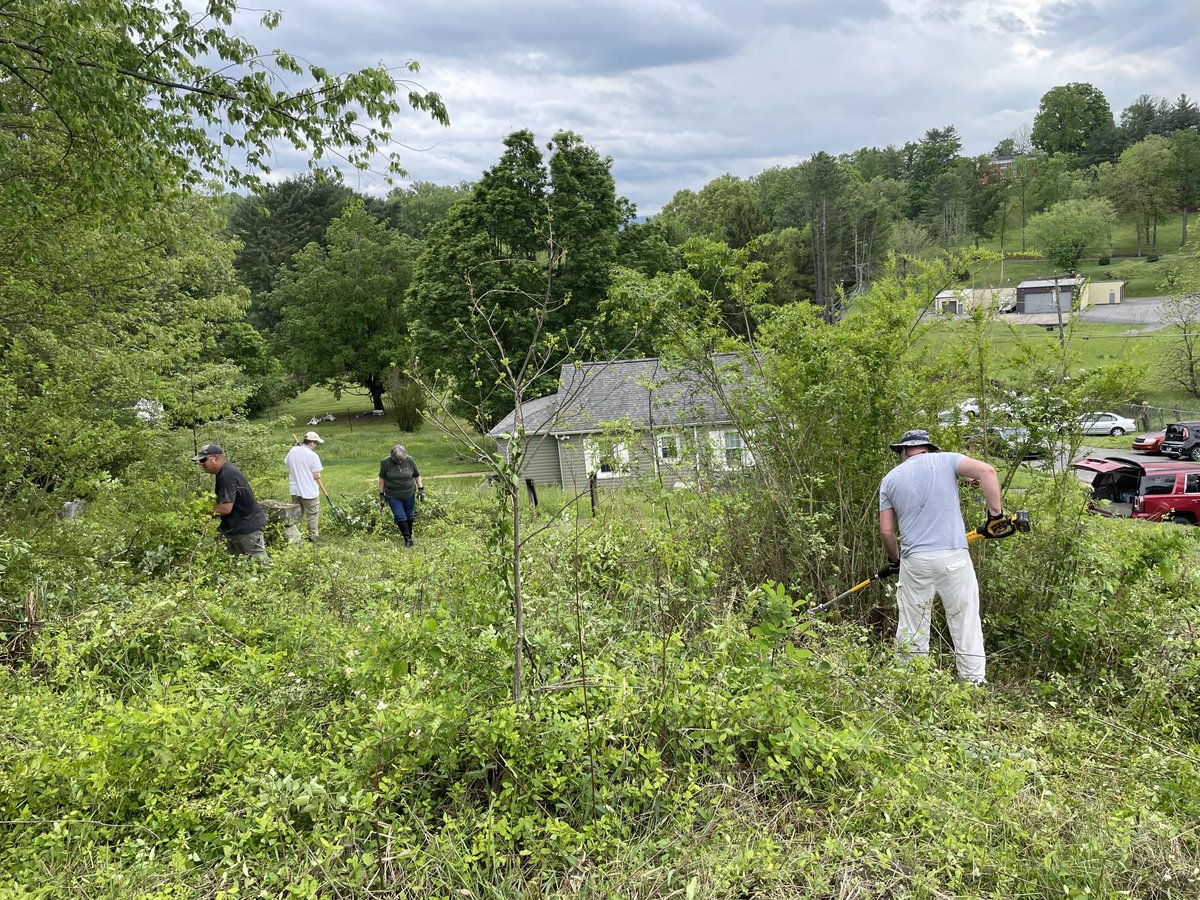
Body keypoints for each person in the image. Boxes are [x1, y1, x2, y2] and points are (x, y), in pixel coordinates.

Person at [878, 429, 1005, 684]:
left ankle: (911, 682)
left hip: (915, 562)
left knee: (913, 625)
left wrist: (896, 560)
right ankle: (973, 683)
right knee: (964, 620)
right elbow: (988, 472)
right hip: (954, 557)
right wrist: (995, 517)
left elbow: (886, 531)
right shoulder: (948, 460)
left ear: (903, 451)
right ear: (929, 448)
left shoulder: (890, 479)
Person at [192, 443, 269, 562]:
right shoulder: (224, 472)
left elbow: (225, 508)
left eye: (203, 460)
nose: (202, 464)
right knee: (225, 560)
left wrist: (203, 515)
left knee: (261, 564)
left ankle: (270, 579)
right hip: (233, 527)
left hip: (247, 527)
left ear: (216, 458)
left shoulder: (227, 475)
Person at [379, 444, 424, 547]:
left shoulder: (410, 460)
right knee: (399, 516)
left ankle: (410, 536)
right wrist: (381, 494)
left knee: (409, 515)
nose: (399, 462)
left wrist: (421, 489)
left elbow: (416, 475)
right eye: (397, 460)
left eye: (401, 460)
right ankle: (407, 539)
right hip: (393, 494)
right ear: (392, 457)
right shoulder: (385, 462)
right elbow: (382, 478)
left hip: (409, 493)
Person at [285, 430, 325, 542]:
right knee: (312, 514)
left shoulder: (292, 451)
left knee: (295, 514)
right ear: (312, 442)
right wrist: (318, 474)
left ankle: (293, 537)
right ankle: (313, 537)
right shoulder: (313, 456)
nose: (316, 446)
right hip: (309, 490)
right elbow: (316, 475)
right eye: (316, 443)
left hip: (295, 490)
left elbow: (287, 463)